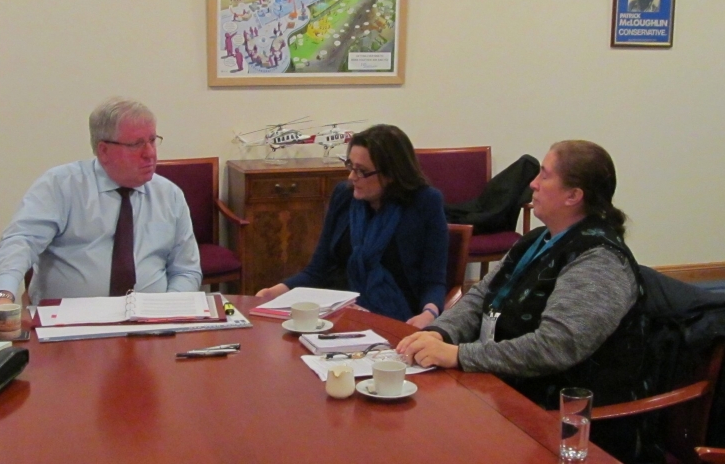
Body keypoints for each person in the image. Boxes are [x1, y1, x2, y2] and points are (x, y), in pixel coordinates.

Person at [397, 140, 649, 410]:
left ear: (573, 196)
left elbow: (555, 347)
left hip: (568, 416)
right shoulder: (536, 239)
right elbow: (481, 296)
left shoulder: (600, 261)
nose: (533, 183)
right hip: (504, 388)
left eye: (544, 175)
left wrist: (459, 355)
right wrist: (441, 333)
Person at [0, 97, 202, 334]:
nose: (150, 154)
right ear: (104, 150)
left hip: (151, 327)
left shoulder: (169, 195)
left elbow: (186, 270)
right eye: (136, 144)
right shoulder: (61, 185)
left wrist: (168, 310)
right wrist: (2, 296)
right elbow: (20, 242)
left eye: (152, 140)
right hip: (69, 326)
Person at [256, 124, 448, 328]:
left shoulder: (425, 202)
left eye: (362, 171)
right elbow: (318, 270)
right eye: (350, 166)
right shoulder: (344, 196)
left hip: (397, 316)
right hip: (337, 312)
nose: (351, 177)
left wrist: (429, 313)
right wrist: (277, 291)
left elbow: (433, 281)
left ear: (392, 173)